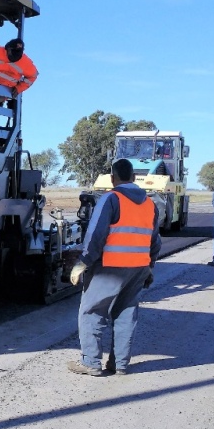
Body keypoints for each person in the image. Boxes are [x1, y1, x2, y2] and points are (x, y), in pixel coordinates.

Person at [67, 159, 161, 376]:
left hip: (109, 267)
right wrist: (150, 267)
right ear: (134, 178)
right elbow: (154, 241)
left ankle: (91, 362)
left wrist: (84, 261)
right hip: (138, 268)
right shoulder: (150, 204)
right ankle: (119, 364)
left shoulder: (111, 198)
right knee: (126, 313)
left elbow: (96, 234)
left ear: (112, 178)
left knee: (92, 311)